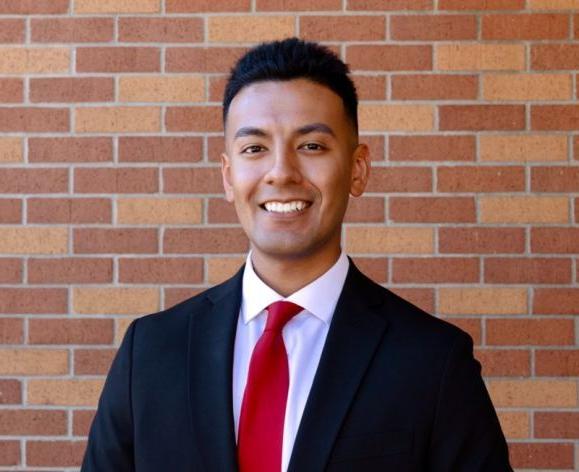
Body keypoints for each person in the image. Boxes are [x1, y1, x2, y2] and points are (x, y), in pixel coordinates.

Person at [81, 37, 512, 471]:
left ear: (357, 169)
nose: (282, 172)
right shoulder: (151, 353)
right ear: (228, 177)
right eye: (255, 148)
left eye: (311, 146)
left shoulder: (432, 362)